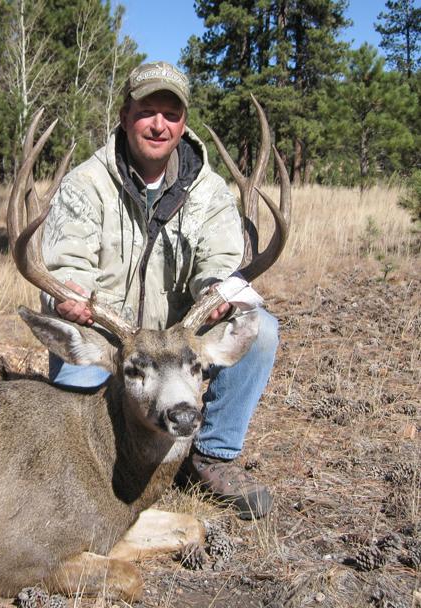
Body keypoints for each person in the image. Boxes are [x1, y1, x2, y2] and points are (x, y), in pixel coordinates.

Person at [40, 61, 279, 520]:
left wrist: (217, 291)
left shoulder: (210, 193)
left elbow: (223, 264)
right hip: (111, 343)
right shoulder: (85, 185)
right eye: (148, 111)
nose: (159, 124)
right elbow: (64, 265)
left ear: (183, 123)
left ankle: (210, 456)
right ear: (126, 116)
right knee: (72, 444)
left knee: (261, 329)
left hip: (178, 345)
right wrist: (68, 293)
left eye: (171, 114)